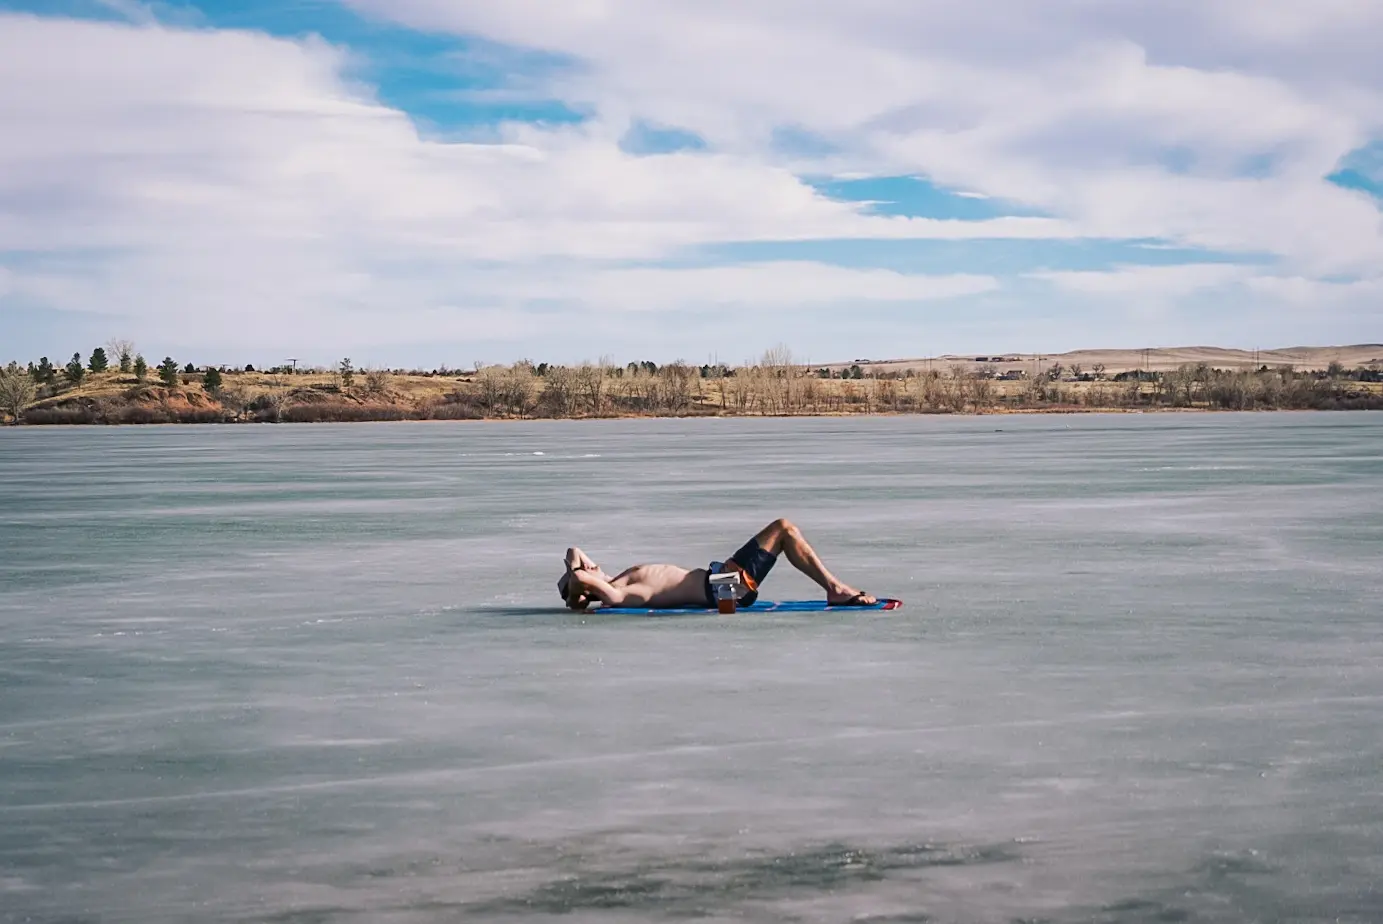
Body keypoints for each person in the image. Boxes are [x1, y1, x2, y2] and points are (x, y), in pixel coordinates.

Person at [557, 518, 879, 611]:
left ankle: (834, 588)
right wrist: (574, 586)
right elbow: (580, 580)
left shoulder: (619, 580)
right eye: (590, 569)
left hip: (720, 583)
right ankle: (835, 589)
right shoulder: (622, 595)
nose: (592, 564)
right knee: (784, 529)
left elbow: (574, 551)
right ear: (588, 584)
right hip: (722, 589)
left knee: (784, 530)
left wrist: (573, 575)